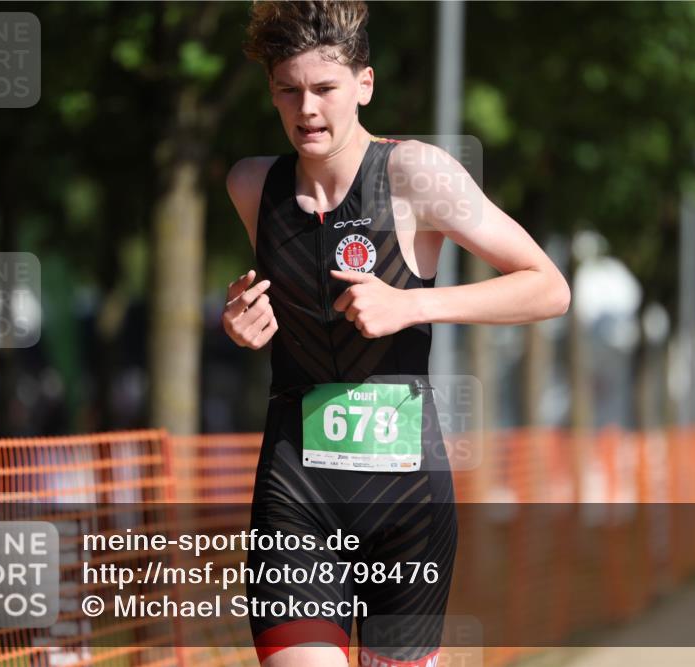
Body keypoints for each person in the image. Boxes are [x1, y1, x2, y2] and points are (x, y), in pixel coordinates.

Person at [222, 2, 570, 665]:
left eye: (325, 88)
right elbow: (275, 306)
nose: (308, 109)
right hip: (296, 493)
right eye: (288, 90)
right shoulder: (251, 187)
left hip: (405, 504)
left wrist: (412, 307)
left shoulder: (414, 175)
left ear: (365, 85)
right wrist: (239, 323)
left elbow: (547, 286)